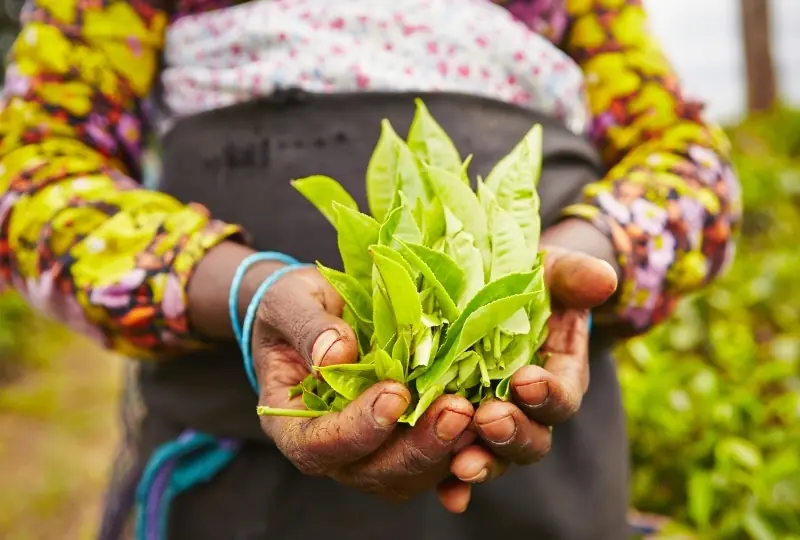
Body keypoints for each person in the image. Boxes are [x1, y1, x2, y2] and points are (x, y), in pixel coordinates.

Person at [0, 1, 740, 539]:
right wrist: (242, 286)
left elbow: (693, 166)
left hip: (539, 454)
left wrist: (581, 251)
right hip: (234, 473)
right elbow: (29, 176)